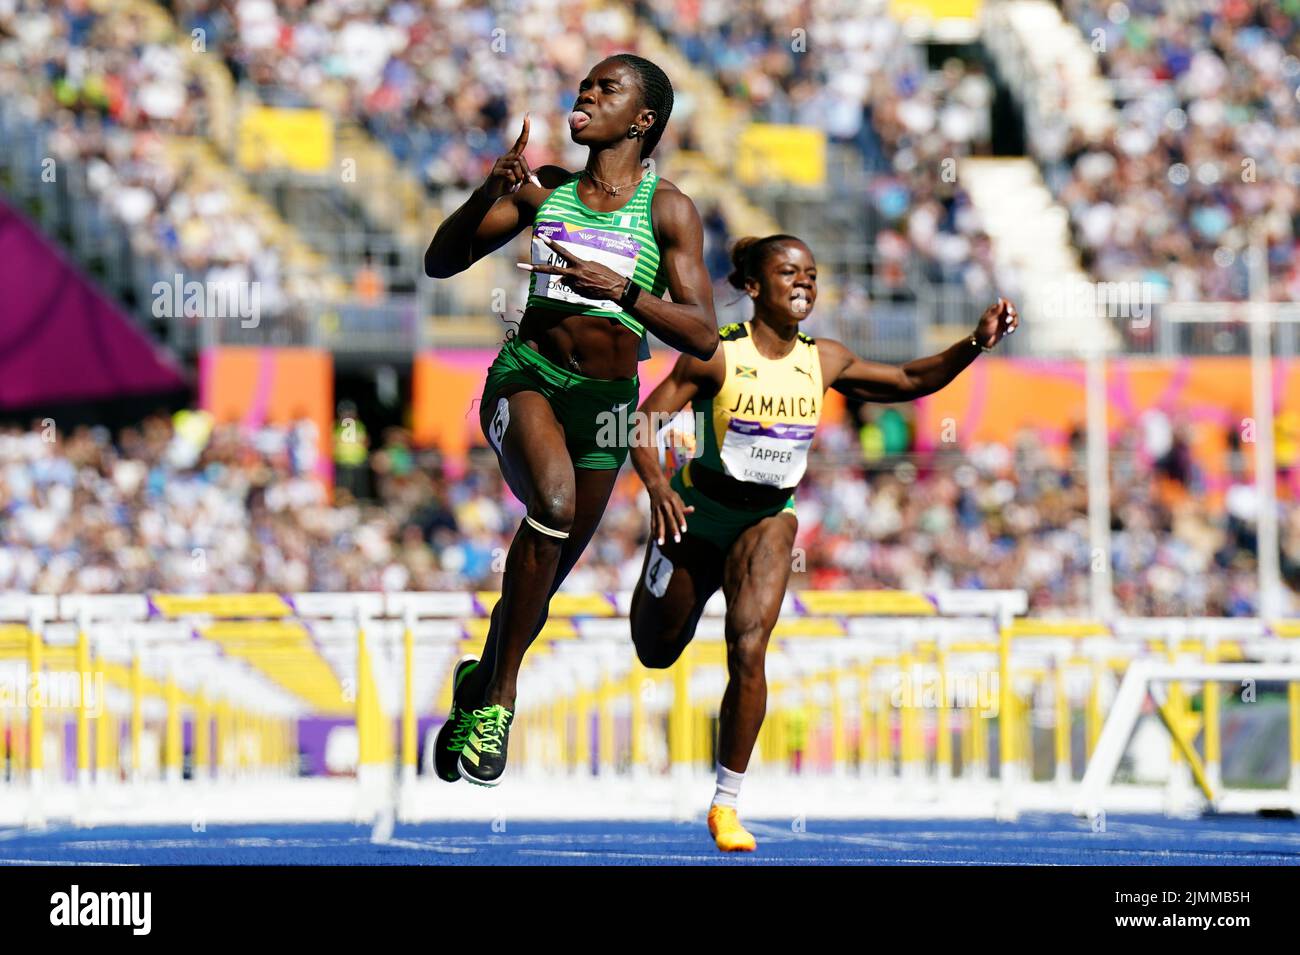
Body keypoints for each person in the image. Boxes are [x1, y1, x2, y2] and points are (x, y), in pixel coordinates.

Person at [627, 234, 1018, 850]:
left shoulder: (825, 360)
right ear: (754, 287)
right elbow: (643, 421)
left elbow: (911, 377)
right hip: (695, 516)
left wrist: (975, 342)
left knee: (749, 645)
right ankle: (659, 573)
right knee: (655, 651)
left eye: (810, 273)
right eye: (788, 273)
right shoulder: (715, 357)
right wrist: (656, 486)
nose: (804, 283)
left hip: (769, 520)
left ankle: (726, 804)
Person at [423, 54, 719, 786]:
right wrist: (486, 192)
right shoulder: (546, 190)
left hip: (607, 408)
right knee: (551, 505)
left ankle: (475, 686)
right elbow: (441, 259)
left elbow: (704, 334)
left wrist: (622, 291)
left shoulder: (668, 210)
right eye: (584, 84)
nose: (586, 93)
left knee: (540, 581)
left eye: (605, 88)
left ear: (643, 121)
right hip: (528, 378)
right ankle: (500, 701)